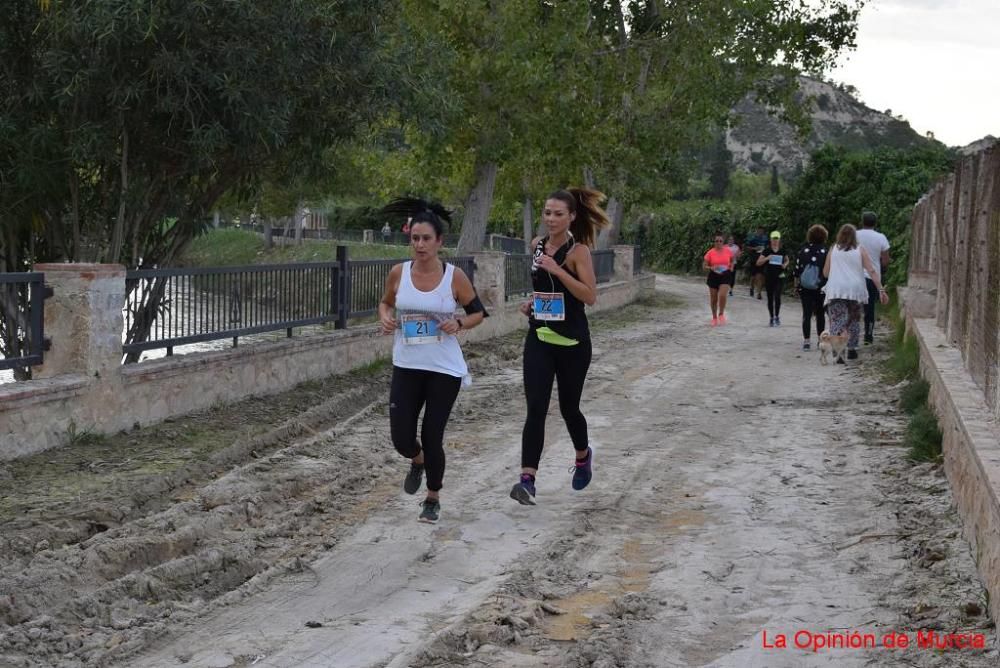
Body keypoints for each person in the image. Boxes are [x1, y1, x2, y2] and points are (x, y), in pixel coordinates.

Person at [377, 197, 487, 523]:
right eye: (414, 238)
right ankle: (417, 460)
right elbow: (385, 303)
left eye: (426, 238)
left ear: (440, 241)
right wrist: (385, 317)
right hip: (407, 365)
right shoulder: (399, 273)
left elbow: (478, 312)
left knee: (432, 434)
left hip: (443, 368)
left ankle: (433, 497)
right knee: (401, 438)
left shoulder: (454, 277)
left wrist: (460, 323)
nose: (420, 244)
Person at [510, 187, 609, 506]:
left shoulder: (578, 251)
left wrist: (557, 270)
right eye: (547, 213)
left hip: (573, 343)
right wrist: (532, 304)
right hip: (539, 338)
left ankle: (583, 456)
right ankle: (527, 481)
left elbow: (589, 296)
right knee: (535, 408)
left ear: (572, 217)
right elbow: (544, 289)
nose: (550, 219)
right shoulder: (536, 245)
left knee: (569, 408)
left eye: (558, 214)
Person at [823, 223, 889, 362]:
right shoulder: (860, 250)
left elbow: (825, 272)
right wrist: (881, 290)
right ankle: (852, 349)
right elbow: (871, 271)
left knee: (837, 321)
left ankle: (838, 352)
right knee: (853, 320)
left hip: (836, 290)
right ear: (854, 236)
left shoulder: (833, 249)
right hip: (855, 290)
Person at [855, 211, 890, 345]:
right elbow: (886, 259)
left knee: (855, 307)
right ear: (875, 223)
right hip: (872, 277)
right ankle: (868, 336)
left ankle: (853, 334)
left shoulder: (855, 235)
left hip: (856, 276)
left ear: (862, 221)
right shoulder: (881, 237)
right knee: (869, 308)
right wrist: (881, 267)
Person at [793, 225, 829, 350]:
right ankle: (821, 340)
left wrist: (796, 286)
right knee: (820, 314)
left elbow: (797, 271)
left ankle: (807, 341)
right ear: (824, 236)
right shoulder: (826, 252)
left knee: (806, 314)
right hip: (821, 287)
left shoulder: (803, 251)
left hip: (805, 287)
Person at [755, 231, 789, 326]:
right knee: (770, 298)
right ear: (770, 240)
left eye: (777, 239)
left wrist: (784, 265)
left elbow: (787, 260)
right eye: (773, 239)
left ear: (779, 240)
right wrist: (767, 258)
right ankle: (771, 317)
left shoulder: (782, 251)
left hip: (779, 276)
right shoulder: (766, 251)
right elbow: (758, 263)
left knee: (777, 297)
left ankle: (777, 316)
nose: (775, 241)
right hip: (769, 277)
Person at [703, 233, 735, 326]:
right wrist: (711, 268)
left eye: (720, 241)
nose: (718, 242)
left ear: (723, 242)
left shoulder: (727, 251)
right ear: (714, 242)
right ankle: (714, 318)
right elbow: (704, 266)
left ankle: (721, 314)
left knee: (722, 295)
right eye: (716, 241)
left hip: (725, 274)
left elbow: (732, 260)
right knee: (713, 299)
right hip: (714, 275)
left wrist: (732, 266)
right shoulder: (710, 252)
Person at [745, 226, 768, 298]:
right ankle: (751, 288)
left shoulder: (766, 238)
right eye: (759, 231)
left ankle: (759, 293)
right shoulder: (752, 238)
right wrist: (755, 248)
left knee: (760, 276)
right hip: (754, 259)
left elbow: (769, 246)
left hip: (762, 258)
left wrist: (766, 249)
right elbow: (747, 247)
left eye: (762, 231)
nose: (761, 232)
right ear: (757, 230)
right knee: (753, 276)